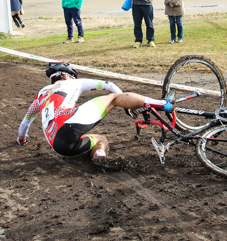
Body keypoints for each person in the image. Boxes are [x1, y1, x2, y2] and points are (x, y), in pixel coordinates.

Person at [16, 62, 173, 170]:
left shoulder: (42, 94)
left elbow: (25, 123)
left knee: (100, 140)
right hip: (69, 122)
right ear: (69, 75)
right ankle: (162, 103)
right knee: (114, 98)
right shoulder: (74, 82)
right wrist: (125, 102)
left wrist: (22, 139)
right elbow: (109, 86)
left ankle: (99, 157)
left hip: (59, 144)